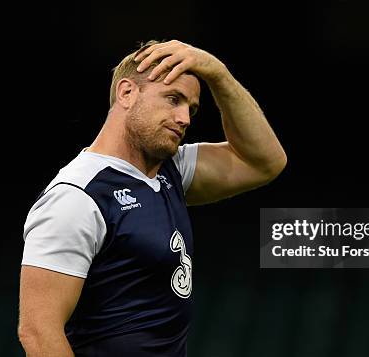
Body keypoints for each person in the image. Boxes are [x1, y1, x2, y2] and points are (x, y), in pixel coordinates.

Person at [18, 39, 286, 356]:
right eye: (173, 99)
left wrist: (219, 75)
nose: (185, 118)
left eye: (192, 108)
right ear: (127, 93)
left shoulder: (168, 170)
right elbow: (38, 331)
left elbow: (265, 161)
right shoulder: (78, 197)